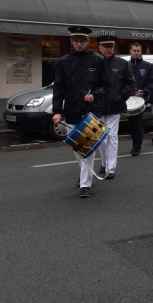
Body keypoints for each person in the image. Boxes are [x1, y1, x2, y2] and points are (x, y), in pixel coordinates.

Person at [52, 26, 105, 198]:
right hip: (71, 110)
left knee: (87, 148)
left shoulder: (98, 60)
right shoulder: (64, 62)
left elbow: (106, 86)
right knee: (77, 147)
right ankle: (85, 174)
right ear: (72, 41)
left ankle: (85, 184)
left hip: (91, 111)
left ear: (88, 41)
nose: (79, 44)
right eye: (76, 40)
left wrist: (95, 95)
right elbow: (58, 88)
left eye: (82, 40)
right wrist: (57, 111)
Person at [97, 35, 136, 180]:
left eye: (111, 47)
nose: (109, 49)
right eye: (105, 47)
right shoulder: (95, 63)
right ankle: (104, 162)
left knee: (111, 137)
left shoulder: (122, 63)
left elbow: (130, 84)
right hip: (98, 106)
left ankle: (111, 168)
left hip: (115, 106)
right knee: (100, 138)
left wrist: (120, 96)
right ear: (100, 48)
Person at [127, 42, 153, 156]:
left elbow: (151, 82)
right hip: (128, 99)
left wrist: (143, 91)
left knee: (137, 123)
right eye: (134, 50)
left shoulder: (148, 66)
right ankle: (134, 143)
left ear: (141, 51)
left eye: (138, 51)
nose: (136, 52)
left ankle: (137, 147)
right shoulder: (126, 65)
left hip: (140, 99)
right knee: (130, 123)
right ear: (130, 51)